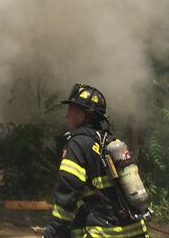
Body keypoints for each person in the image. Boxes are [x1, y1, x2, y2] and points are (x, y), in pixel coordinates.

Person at [44, 83, 150, 238]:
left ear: (82, 116)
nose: (67, 115)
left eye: (71, 110)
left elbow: (68, 192)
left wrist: (53, 231)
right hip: (136, 231)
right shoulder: (111, 142)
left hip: (103, 232)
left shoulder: (77, 145)